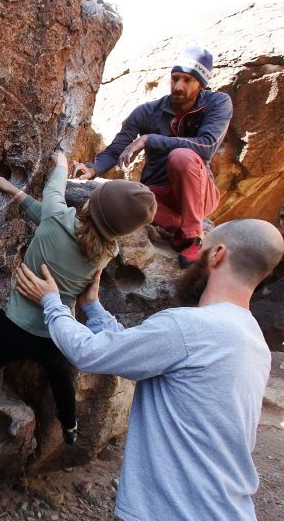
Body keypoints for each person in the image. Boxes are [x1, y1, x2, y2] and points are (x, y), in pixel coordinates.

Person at [16, 218, 284, 521]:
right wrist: (92, 307)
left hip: (174, 511)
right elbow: (134, 351)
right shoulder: (252, 339)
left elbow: (89, 353)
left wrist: (51, 302)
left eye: (202, 249)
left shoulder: (188, 328)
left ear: (218, 254)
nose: (192, 261)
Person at [0, 152, 157, 455]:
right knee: (62, 380)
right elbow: (48, 215)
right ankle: (70, 426)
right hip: (55, 333)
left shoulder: (57, 217)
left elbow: (53, 192)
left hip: (13, 327)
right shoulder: (106, 251)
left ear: (92, 203)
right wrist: (14, 192)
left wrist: (61, 164)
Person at [73, 45, 233, 268]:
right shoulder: (148, 111)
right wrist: (92, 169)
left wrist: (150, 139)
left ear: (201, 83)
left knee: (181, 157)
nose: (178, 86)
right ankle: (179, 225)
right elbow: (117, 147)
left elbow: (207, 145)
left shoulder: (218, 102)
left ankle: (192, 236)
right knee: (116, 196)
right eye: (175, 78)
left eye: (187, 80)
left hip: (199, 194)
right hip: (158, 196)